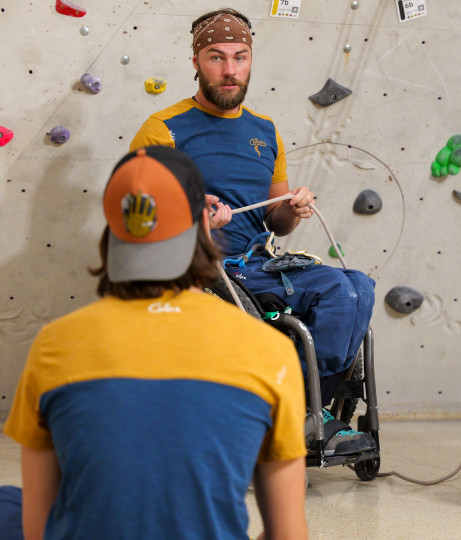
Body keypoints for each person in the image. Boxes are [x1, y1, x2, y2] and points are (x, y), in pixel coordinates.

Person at [0, 146, 308, 540]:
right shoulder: (267, 349)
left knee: (1, 505)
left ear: (113, 231)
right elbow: (288, 535)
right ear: (204, 224)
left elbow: (37, 530)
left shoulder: (56, 344)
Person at [129, 8, 376, 457]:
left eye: (239, 58)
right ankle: (305, 412)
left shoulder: (265, 131)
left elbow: (276, 222)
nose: (229, 71)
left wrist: (294, 209)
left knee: (356, 287)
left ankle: (302, 408)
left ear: (250, 61)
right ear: (195, 63)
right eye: (216, 58)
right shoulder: (163, 129)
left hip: (259, 264)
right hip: (202, 269)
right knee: (337, 290)